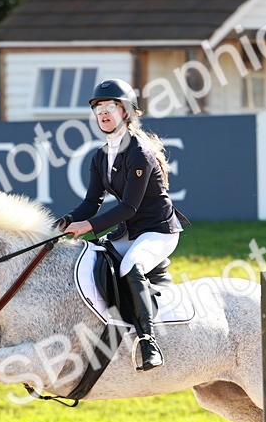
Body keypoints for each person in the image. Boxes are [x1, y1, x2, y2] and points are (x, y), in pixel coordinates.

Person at [56, 79, 185, 372]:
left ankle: (148, 342)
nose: (103, 113)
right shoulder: (100, 156)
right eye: (98, 108)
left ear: (125, 112)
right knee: (86, 258)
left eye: (110, 107)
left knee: (130, 266)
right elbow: (91, 203)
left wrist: (87, 225)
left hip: (158, 231)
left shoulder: (140, 152)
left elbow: (129, 207)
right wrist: (63, 222)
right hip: (128, 232)